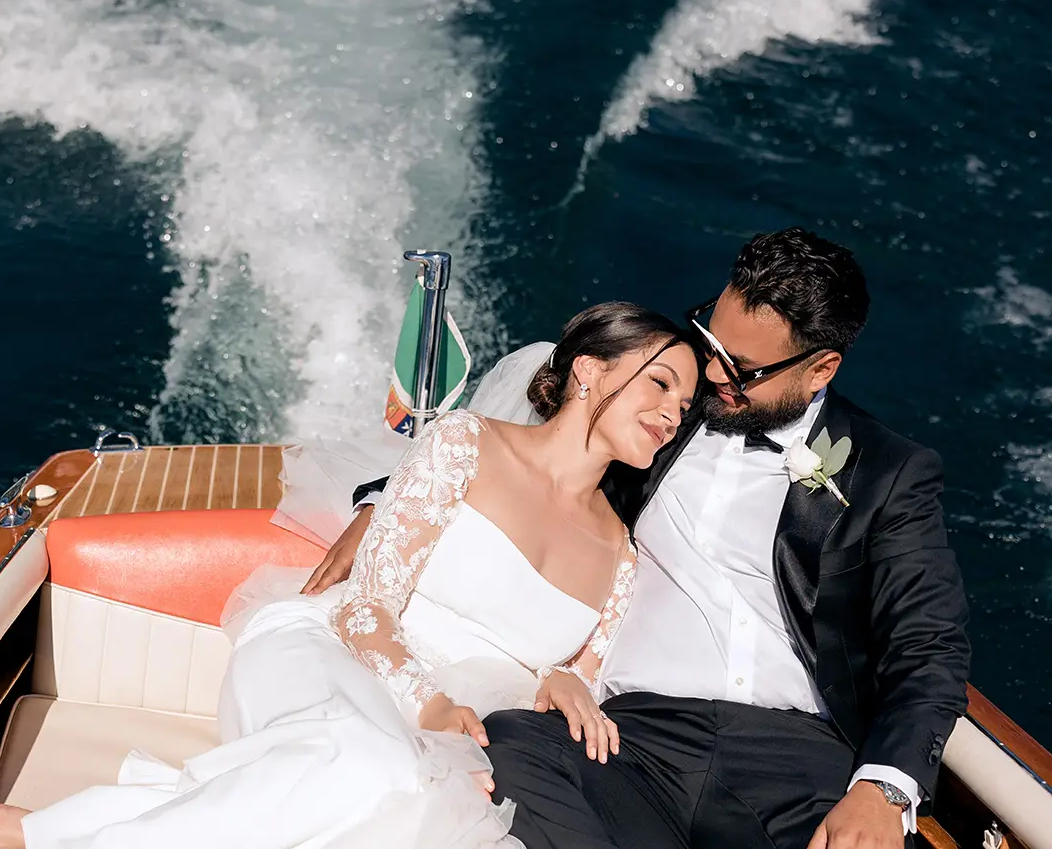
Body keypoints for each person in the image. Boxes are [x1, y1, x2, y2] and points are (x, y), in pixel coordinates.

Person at [305, 228, 972, 849]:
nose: (711, 377)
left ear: (820, 370)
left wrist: (883, 789)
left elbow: (929, 647)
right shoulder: (661, 408)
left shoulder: (887, 472)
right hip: (631, 736)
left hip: (794, 762)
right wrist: (380, 501)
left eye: (741, 370)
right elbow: (532, 447)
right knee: (508, 739)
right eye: (711, 341)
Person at [0, 303, 700, 849]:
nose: (673, 412)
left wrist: (571, 678)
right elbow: (366, 606)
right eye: (661, 384)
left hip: (468, 736)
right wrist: (426, 705)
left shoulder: (622, 556)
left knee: (411, 811)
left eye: (687, 402)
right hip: (335, 654)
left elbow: (579, 692)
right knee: (371, 768)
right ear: (588, 370)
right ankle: (61, 839)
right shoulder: (468, 444)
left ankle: (143, 809)